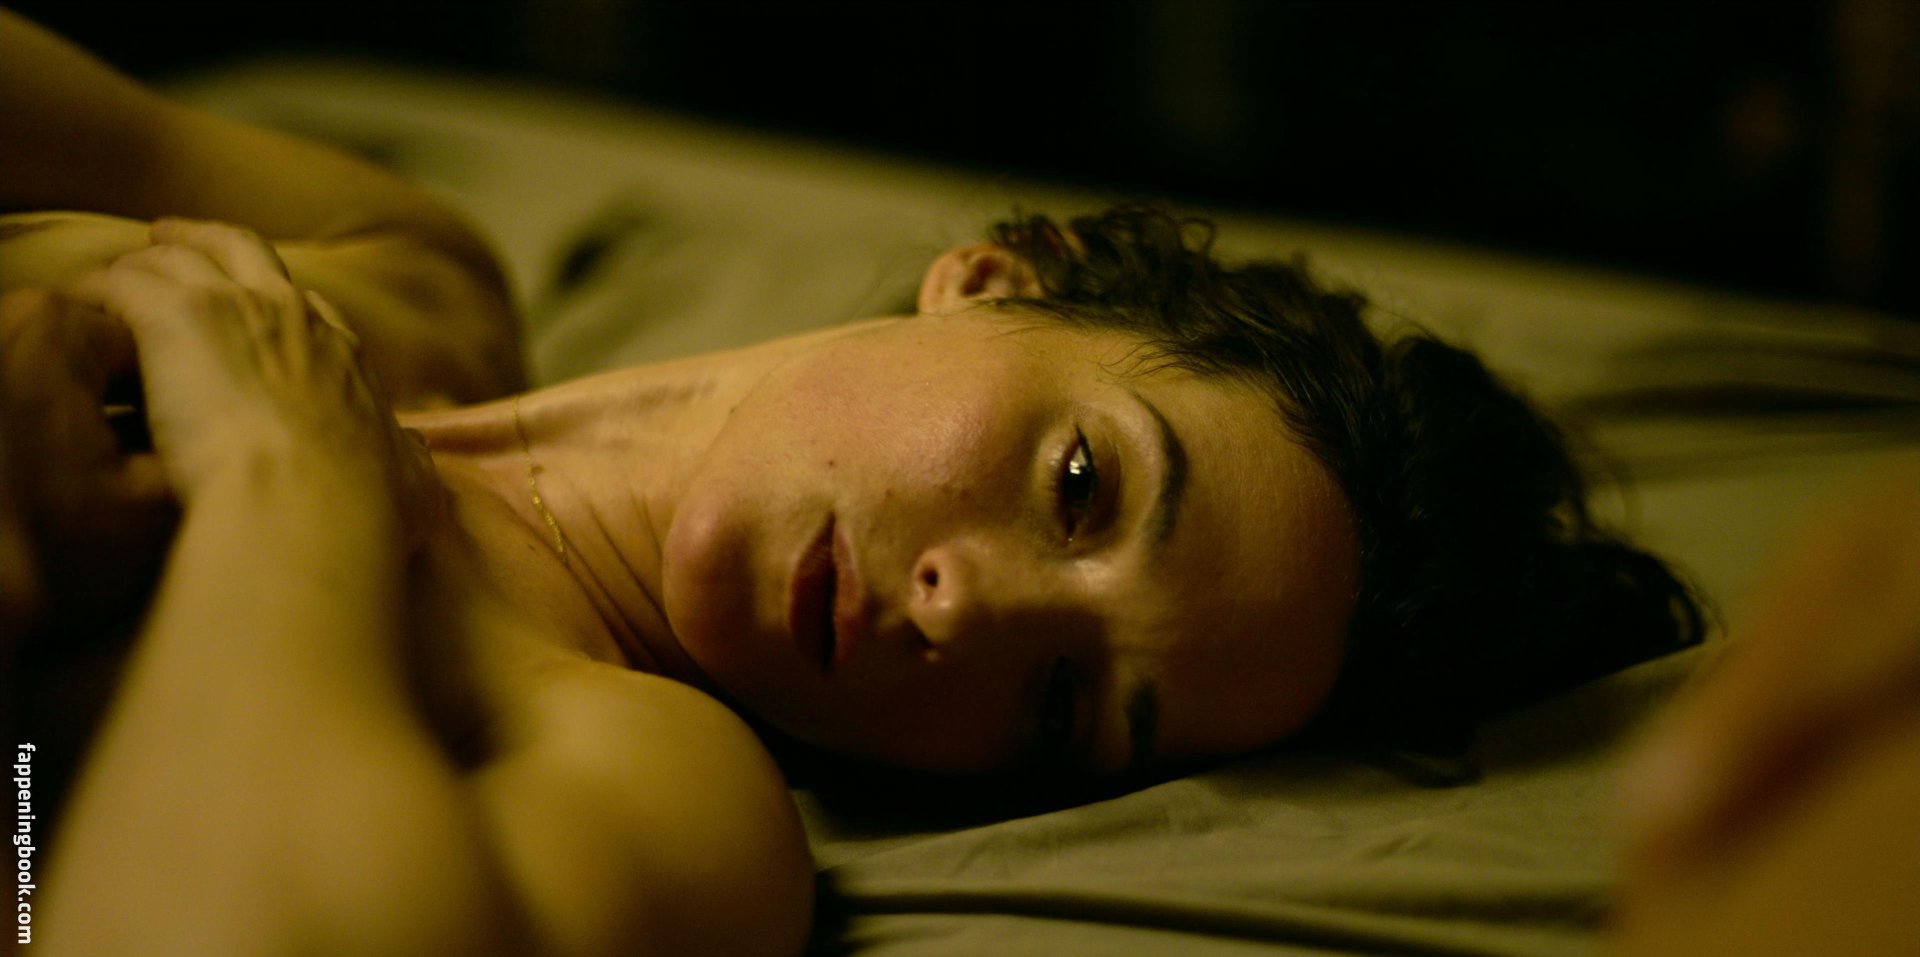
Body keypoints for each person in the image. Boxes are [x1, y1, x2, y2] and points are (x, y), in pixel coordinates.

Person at [1, 10, 1711, 957]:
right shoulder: (405, 263)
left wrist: (283, 479)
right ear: (1003, 278)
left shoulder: (664, 797)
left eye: (1062, 706)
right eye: (1080, 485)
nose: (971, 614)